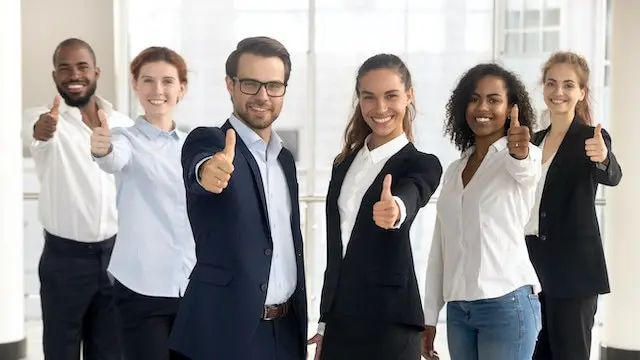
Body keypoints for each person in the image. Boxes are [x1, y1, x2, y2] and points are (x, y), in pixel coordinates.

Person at [168, 36, 307, 360]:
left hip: (285, 333)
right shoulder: (210, 140)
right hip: (223, 335)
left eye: (274, 85)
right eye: (250, 84)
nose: (262, 96)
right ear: (230, 85)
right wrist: (209, 172)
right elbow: (199, 167)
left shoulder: (284, 159)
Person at [306, 54, 442, 360]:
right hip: (341, 322)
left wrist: (396, 209)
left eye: (391, 96)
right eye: (369, 97)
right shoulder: (344, 164)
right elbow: (336, 250)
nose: (380, 108)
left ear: (409, 96)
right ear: (359, 100)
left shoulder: (422, 163)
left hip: (390, 326)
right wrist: (325, 322)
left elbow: (414, 192)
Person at [422, 63, 542, 360]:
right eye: (474, 99)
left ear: (512, 109)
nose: (482, 107)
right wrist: (428, 315)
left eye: (494, 99)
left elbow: (525, 170)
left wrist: (520, 151)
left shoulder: (520, 158)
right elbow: (440, 246)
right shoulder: (454, 171)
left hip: (506, 305)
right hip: (459, 311)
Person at [21, 38, 132, 360]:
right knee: (61, 351)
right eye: (65, 68)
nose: (74, 74)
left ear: (95, 71)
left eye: (82, 66)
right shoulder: (43, 119)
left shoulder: (122, 125)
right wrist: (42, 130)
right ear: (55, 75)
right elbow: (36, 134)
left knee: (111, 352)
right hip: (64, 261)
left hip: (115, 258)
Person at [90, 46, 196, 360]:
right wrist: (101, 149)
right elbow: (112, 159)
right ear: (134, 84)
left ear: (182, 88)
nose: (158, 90)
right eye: (147, 80)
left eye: (167, 81)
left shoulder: (195, 145)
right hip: (141, 290)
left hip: (191, 288)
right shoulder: (125, 139)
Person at [525, 51, 622, 360]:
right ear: (543, 88)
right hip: (529, 268)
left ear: (581, 92)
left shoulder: (591, 138)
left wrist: (604, 158)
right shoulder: (532, 142)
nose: (558, 92)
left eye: (568, 85)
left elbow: (612, 175)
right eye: (552, 84)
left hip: (573, 271)